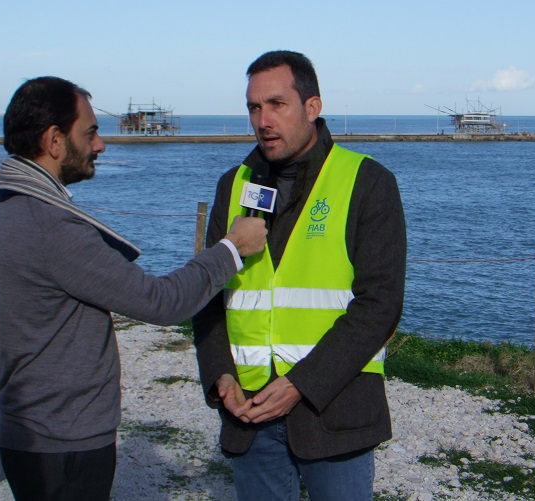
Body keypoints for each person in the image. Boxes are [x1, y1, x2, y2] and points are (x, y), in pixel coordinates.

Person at [0, 76, 266, 501]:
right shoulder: (51, 227)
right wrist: (232, 249)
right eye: (90, 132)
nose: (100, 145)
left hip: (24, 431)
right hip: (66, 442)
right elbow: (161, 301)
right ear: (55, 140)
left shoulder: (2, 212)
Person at [192, 50, 406, 500]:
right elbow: (209, 293)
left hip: (335, 408)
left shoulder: (368, 181)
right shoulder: (232, 184)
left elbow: (380, 305)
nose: (262, 119)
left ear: (313, 107)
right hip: (248, 412)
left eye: (276, 104)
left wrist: (301, 385)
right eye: (254, 107)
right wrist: (218, 374)